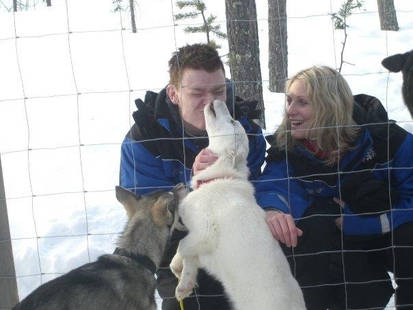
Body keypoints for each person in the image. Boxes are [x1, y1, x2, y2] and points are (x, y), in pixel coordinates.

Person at [119, 43, 266, 310]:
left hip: (237, 237)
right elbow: (148, 219)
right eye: (197, 93)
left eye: (219, 91)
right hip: (175, 246)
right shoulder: (146, 138)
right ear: (174, 94)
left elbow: (262, 190)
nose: (210, 102)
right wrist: (192, 184)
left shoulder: (244, 130)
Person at [255, 66, 413, 310]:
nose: (290, 111)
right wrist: (273, 210)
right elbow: (275, 185)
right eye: (289, 100)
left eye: (302, 102)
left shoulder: (387, 140)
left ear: (330, 107)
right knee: (308, 228)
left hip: (385, 232)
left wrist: (364, 223)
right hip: (340, 247)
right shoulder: (287, 147)